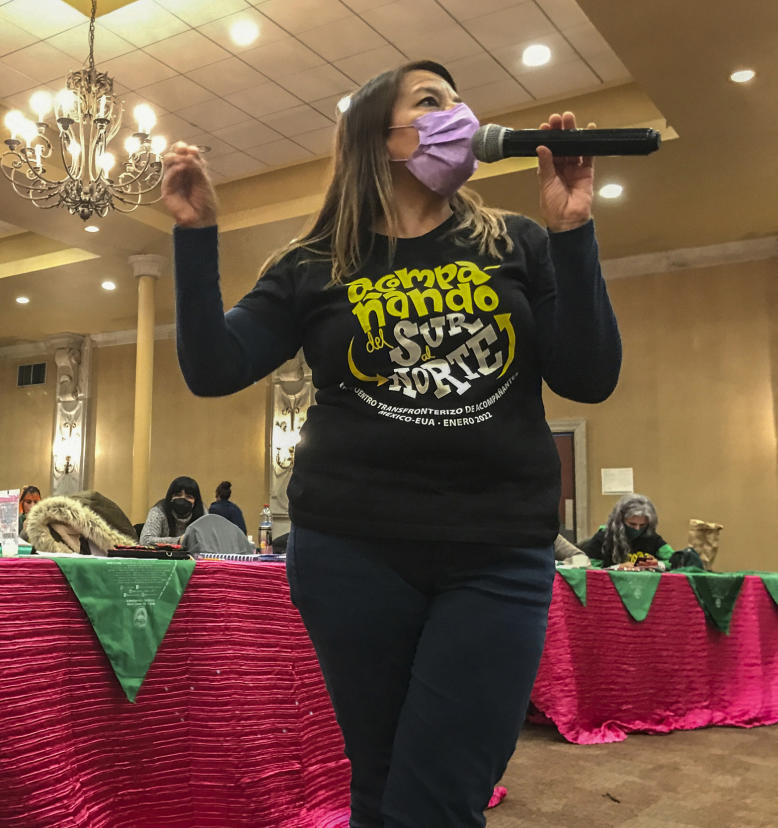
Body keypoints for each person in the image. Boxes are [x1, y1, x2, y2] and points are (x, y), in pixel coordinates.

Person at [162, 59, 621, 827]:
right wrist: (197, 238)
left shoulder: (517, 241)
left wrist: (574, 231)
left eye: (459, 99)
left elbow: (590, 377)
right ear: (378, 137)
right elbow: (213, 369)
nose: (459, 115)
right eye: (432, 101)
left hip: (497, 549)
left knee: (439, 794)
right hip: (351, 551)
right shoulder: (313, 265)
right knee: (377, 785)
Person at [578, 493, 673, 566]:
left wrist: (659, 564)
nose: (637, 529)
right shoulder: (603, 537)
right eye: (632, 524)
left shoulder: (651, 536)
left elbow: (676, 560)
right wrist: (616, 568)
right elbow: (587, 565)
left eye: (642, 525)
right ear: (620, 521)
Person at [139, 476, 205, 545]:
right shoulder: (159, 511)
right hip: (162, 555)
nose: (182, 499)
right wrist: (179, 541)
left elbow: (209, 542)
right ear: (170, 497)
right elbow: (145, 540)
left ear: (196, 501)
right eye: (178, 495)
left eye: (189, 497)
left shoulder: (202, 514)